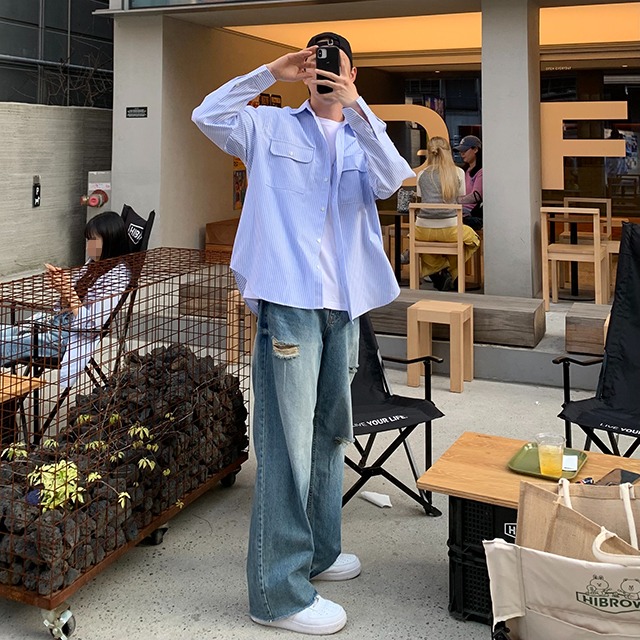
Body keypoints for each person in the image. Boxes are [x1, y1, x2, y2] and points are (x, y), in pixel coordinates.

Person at [192, 32, 413, 635]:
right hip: (289, 303)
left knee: (328, 433)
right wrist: (271, 71)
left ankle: (317, 553)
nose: (324, 70)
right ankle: (278, 594)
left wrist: (357, 105)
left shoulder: (363, 136)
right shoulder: (268, 128)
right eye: (316, 61)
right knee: (286, 445)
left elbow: (393, 181)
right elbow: (207, 114)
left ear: (352, 71)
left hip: (343, 307)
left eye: (334, 62)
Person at [0, 211, 131, 387]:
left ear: (110, 241)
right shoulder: (94, 264)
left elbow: (92, 327)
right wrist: (61, 286)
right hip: (57, 323)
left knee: (5, 343)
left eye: (93, 240)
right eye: (88, 240)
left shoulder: (117, 277)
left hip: (68, 338)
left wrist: (68, 291)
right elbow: (65, 304)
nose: (88, 246)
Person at [415, 137, 480, 291]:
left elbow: (421, 197)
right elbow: (460, 196)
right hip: (450, 229)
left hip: (422, 230)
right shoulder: (458, 172)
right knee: (473, 239)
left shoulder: (422, 174)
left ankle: (439, 270)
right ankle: (453, 272)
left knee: (425, 247)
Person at [454, 135, 483, 231]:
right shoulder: (463, 171)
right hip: (458, 210)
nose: (462, 154)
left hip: (470, 213)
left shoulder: (481, 172)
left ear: (475, 150)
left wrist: (455, 200)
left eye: (465, 150)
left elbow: (476, 196)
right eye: (460, 151)